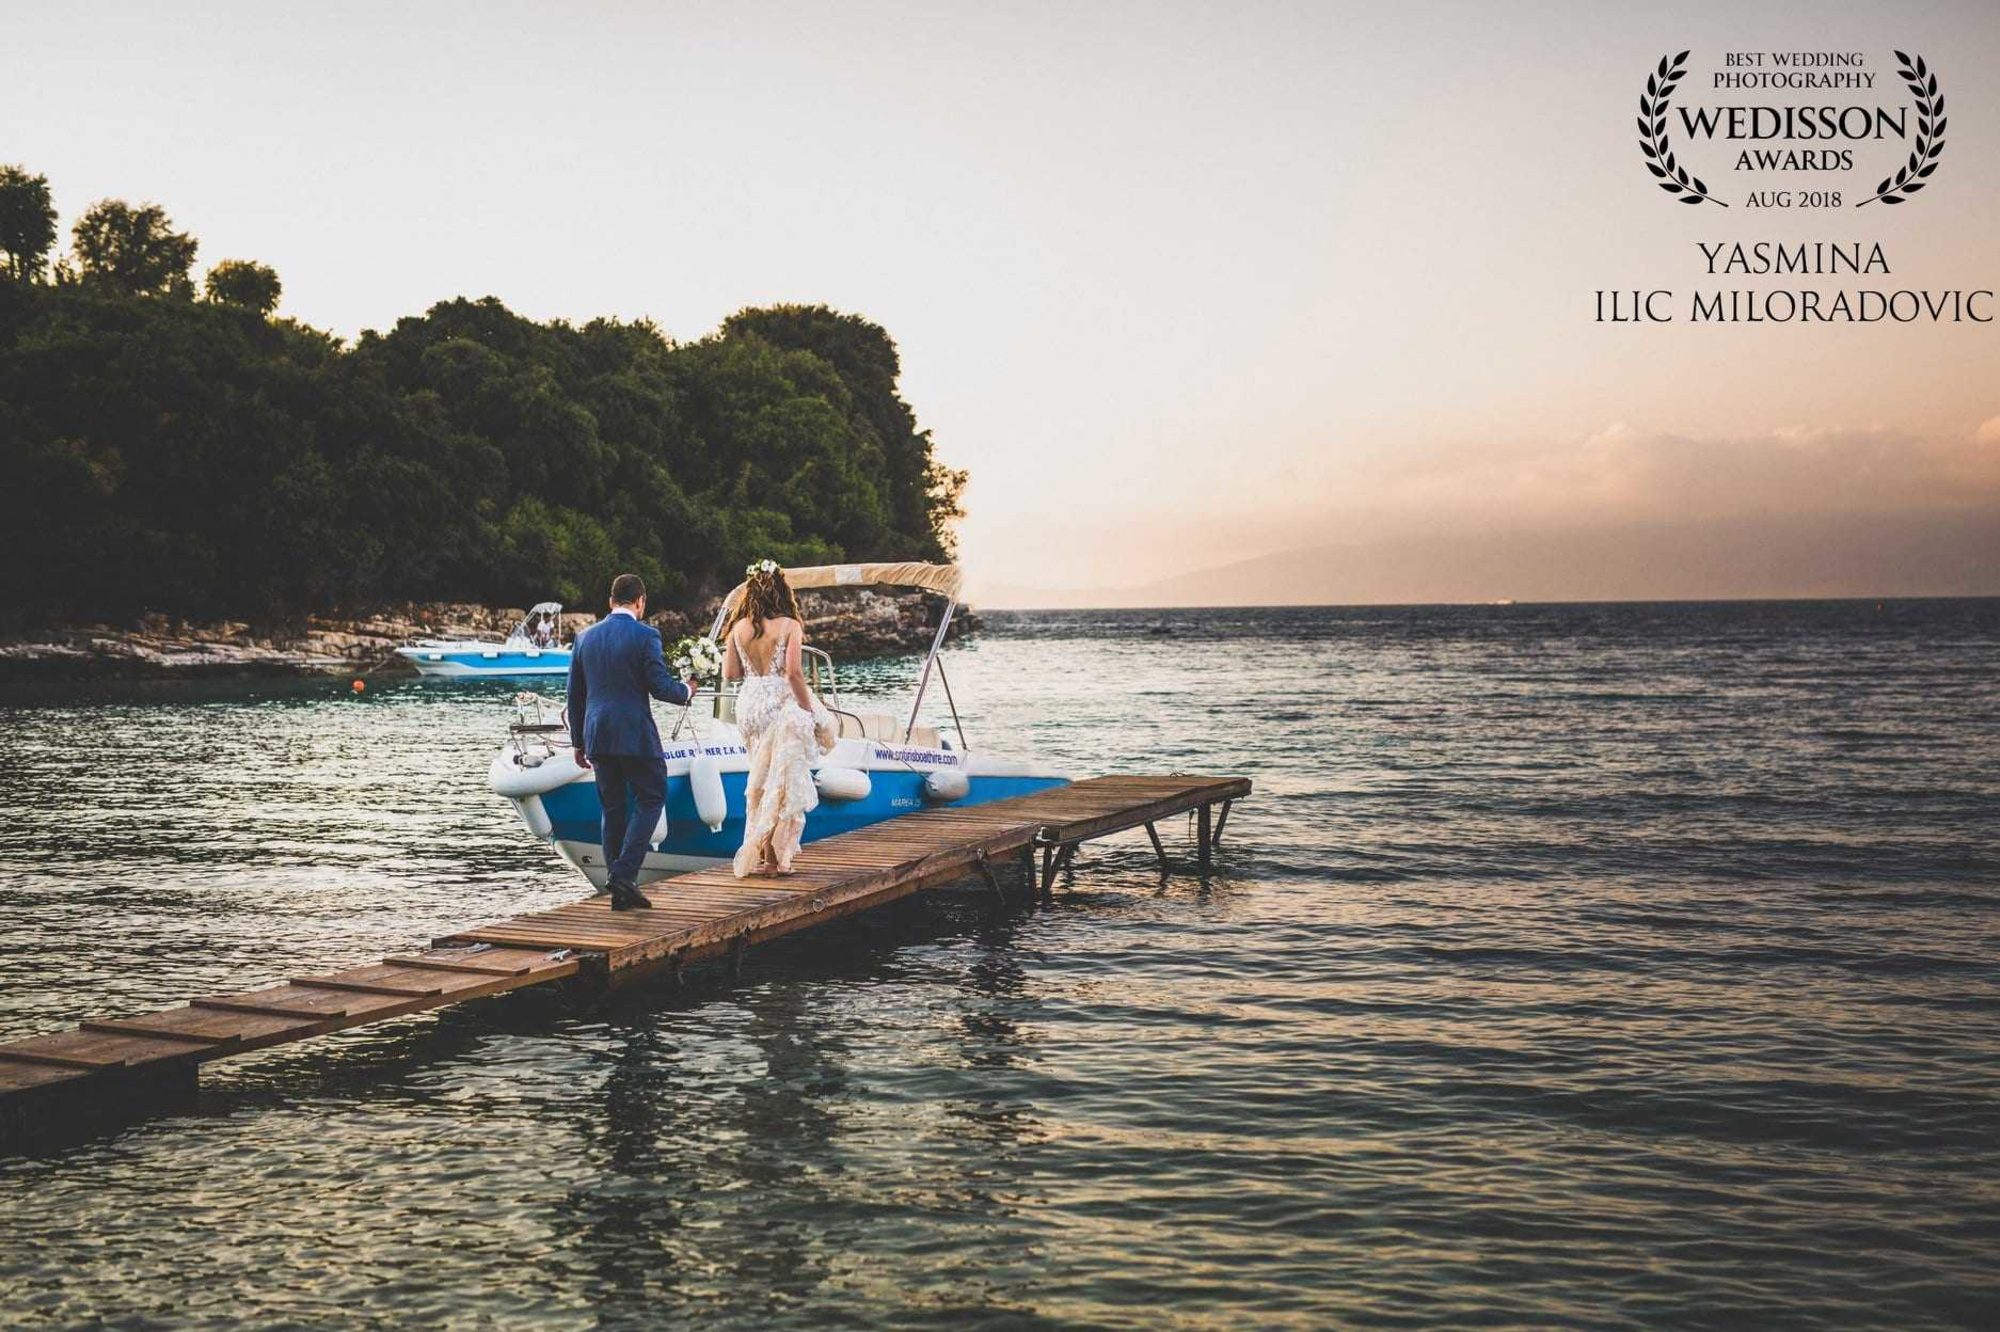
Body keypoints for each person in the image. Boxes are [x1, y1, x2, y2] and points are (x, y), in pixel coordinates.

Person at [565, 574, 695, 910]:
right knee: (652, 797)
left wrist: (578, 741)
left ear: (610, 602)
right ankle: (624, 873)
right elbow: (660, 687)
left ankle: (619, 892)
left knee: (612, 807)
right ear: (641, 602)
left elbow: (575, 696)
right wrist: (688, 690)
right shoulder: (646, 635)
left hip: (596, 733)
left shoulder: (585, 638)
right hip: (634, 732)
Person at [722, 561, 836, 877]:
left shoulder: (737, 628)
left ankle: (760, 855)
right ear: (783, 592)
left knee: (759, 780)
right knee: (780, 783)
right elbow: (794, 673)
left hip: (749, 706)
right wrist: (810, 710)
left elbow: (731, 674)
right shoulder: (789, 626)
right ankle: (773, 861)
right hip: (779, 704)